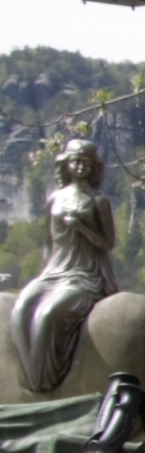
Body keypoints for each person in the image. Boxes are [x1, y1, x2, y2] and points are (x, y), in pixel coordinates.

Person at [10, 139, 117, 393]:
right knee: (21, 308)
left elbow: (107, 243)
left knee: (48, 314)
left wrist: (81, 227)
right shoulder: (55, 199)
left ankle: (44, 380)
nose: (80, 167)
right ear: (67, 164)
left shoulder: (98, 201)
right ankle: (31, 377)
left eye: (86, 163)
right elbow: (49, 243)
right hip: (54, 272)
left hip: (85, 275)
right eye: (76, 161)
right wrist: (44, 276)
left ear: (93, 167)